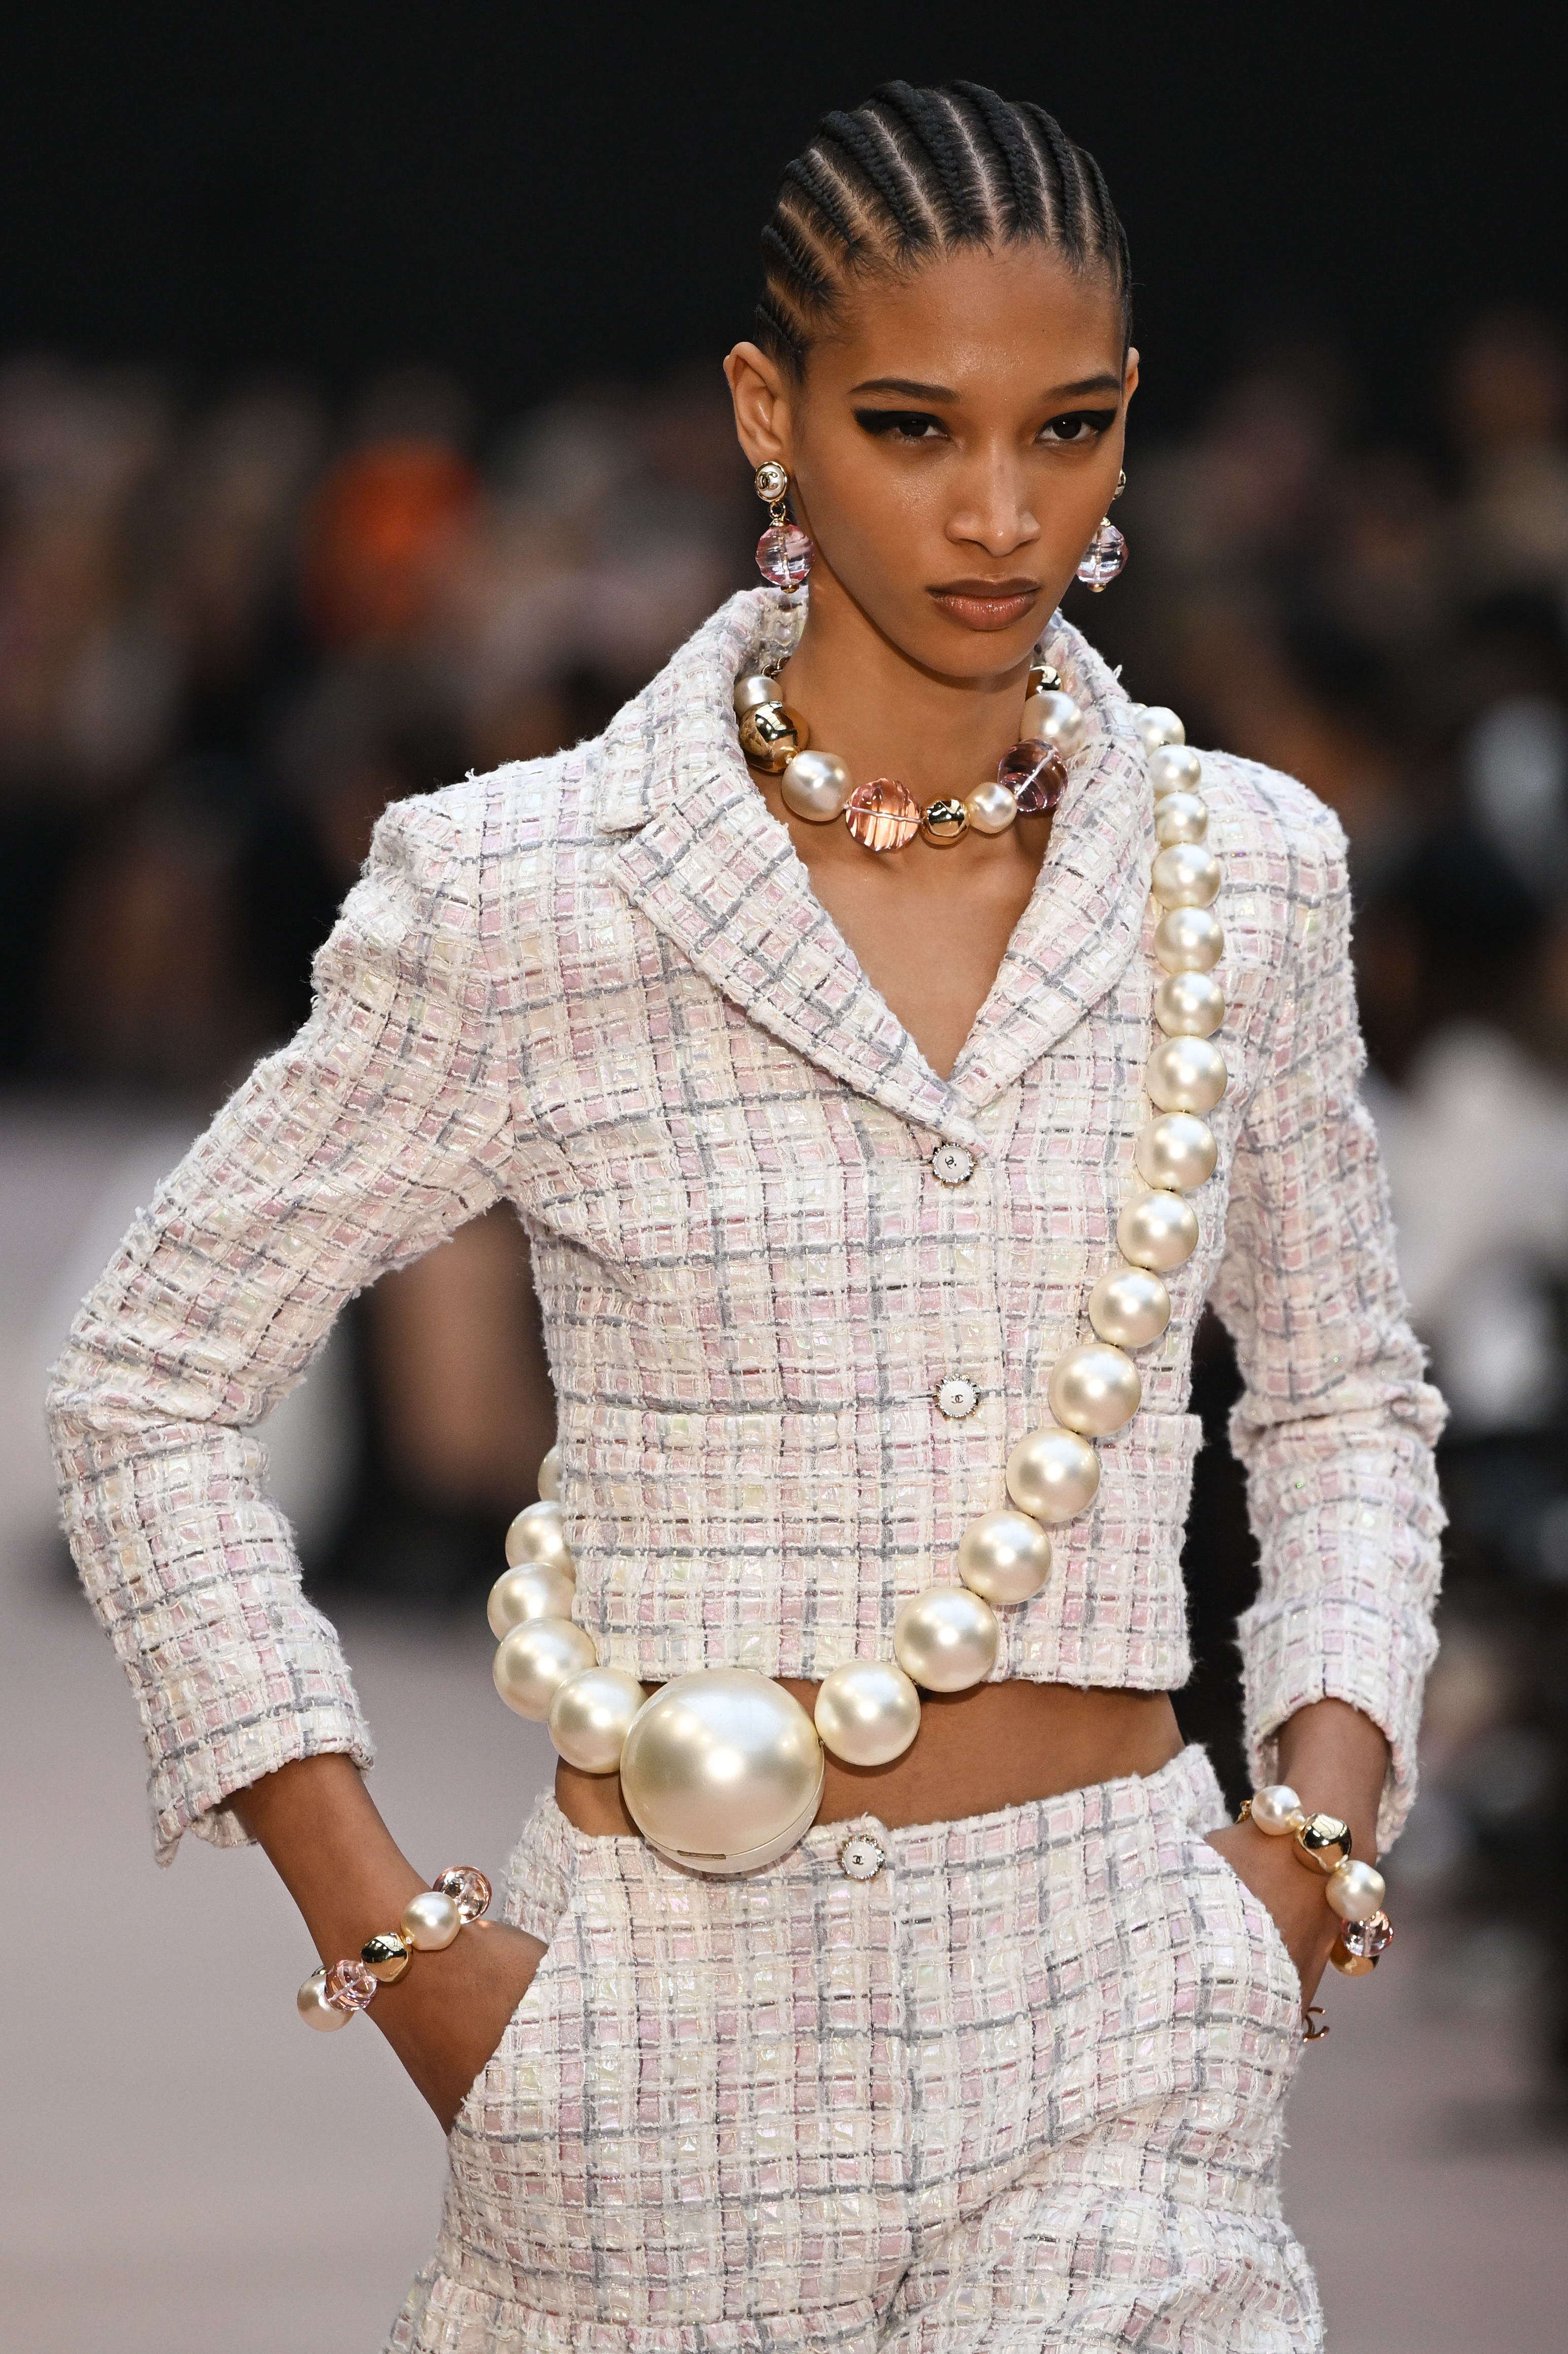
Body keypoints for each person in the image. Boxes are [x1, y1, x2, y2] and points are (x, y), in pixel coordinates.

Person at [49, 82, 1444, 2352]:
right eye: (911, 427)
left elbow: (1341, 1398)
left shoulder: (1243, 871)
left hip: (1126, 2008)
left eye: (1068, 428)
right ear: (764, 413)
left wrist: (1307, 1849)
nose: (999, 511)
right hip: (648, 2057)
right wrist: (397, 1940)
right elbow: (144, 1388)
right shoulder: (526, 886)